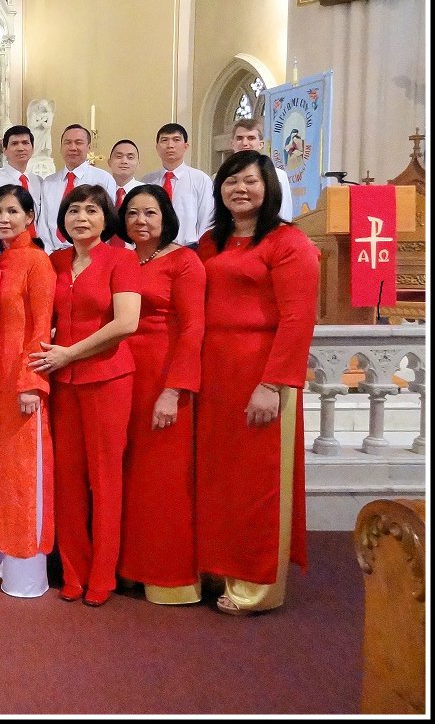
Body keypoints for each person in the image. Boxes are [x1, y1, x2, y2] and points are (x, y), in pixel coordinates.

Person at [196, 150, 319, 616]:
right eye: (230, 181)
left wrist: (274, 383)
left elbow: (297, 318)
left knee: (257, 481)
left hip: (260, 371)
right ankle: (215, 566)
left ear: (268, 187)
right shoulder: (212, 243)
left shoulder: (287, 242)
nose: (239, 189)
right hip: (215, 372)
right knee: (217, 477)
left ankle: (256, 583)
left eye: (249, 181)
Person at [28, 183, 140, 607]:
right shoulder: (55, 261)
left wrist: (70, 352)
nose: (81, 218)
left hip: (108, 379)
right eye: (73, 210)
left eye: (91, 210)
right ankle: (73, 569)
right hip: (63, 383)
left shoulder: (121, 259)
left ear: (105, 217)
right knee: (67, 479)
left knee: (105, 479)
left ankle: (102, 574)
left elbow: (127, 321)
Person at [116, 184, 205, 605]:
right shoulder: (117, 258)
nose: (140, 221)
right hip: (117, 376)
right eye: (133, 213)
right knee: (124, 472)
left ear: (166, 216)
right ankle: (127, 568)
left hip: (160, 376)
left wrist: (173, 390)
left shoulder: (185, 261)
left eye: (150, 213)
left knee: (160, 478)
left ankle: (167, 576)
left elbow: (192, 329)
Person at [0, 184, 57, 598]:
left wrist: (33, 383)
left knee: (24, 472)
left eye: (12, 210)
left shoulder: (36, 261)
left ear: (30, 216)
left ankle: (26, 569)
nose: (4, 218)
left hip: (21, 382)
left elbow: (40, 326)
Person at [40, 124, 116, 252]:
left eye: (78, 142)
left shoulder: (103, 179)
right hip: (53, 254)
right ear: (61, 147)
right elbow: (43, 223)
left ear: (89, 147)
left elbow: (107, 219)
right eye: (67, 143)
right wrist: (48, 253)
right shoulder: (49, 182)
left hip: (90, 253)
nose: (72, 147)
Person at [142, 123, 214, 247]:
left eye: (176, 140)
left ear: (186, 146)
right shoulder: (147, 181)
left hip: (188, 247)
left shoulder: (200, 179)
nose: (170, 145)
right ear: (157, 147)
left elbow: (206, 219)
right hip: (153, 247)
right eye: (164, 140)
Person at [0, 125, 47, 254]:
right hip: (5, 251)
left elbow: (41, 220)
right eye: (14, 143)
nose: (21, 148)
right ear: (5, 150)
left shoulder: (38, 181)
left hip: (37, 250)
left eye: (25, 143)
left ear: (32, 148)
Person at [230, 118, 293, 220]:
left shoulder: (278, 176)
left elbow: (284, 214)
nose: (245, 143)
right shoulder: (221, 176)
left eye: (251, 138)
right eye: (239, 138)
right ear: (232, 143)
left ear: (261, 144)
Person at [107, 139, 144, 211]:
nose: (124, 161)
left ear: (138, 163)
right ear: (109, 162)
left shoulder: (145, 192)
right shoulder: (101, 191)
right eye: (119, 156)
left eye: (130, 157)